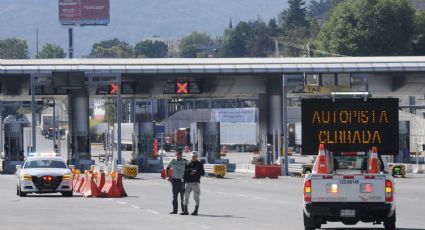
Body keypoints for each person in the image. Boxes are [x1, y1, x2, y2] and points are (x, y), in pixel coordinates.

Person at [181, 151, 205, 216]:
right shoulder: (187, 163)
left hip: (195, 183)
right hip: (188, 183)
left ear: (197, 157)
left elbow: (203, 173)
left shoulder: (199, 164)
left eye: (194, 156)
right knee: (186, 197)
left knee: (196, 197)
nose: (193, 157)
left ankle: (196, 210)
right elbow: (184, 173)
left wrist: (196, 172)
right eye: (192, 156)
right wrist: (183, 180)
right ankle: (185, 210)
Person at [166, 150, 187, 214]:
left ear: (181, 155)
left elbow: (189, 168)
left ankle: (184, 210)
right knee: (174, 197)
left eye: (180, 154)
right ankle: (175, 210)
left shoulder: (185, 161)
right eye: (178, 154)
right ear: (176, 155)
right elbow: (167, 168)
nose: (179, 156)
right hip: (174, 181)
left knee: (182, 197)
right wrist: (168, 176)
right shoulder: (173, 161)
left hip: (182, 181)